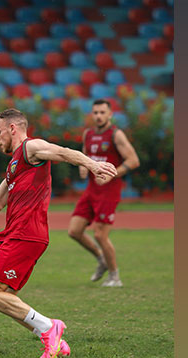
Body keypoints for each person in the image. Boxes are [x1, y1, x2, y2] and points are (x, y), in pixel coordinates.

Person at [0, 108, 117, 358]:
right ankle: (58, 343)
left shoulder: (30, 148)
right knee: (4, 296)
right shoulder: (14, 165)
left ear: (13, 128)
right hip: (20, 235)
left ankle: (49, 328)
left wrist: (92, 165)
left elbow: (63, 152)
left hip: (25, 235)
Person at [67, 99, 140, 287]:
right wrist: (83, 167)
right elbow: (85, 155)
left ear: (110, 114)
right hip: (91, 189)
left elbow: (133, 160)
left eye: (102, 112)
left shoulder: (116, 135)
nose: (98, 116)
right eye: (95, 113)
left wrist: (112, 173)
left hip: (109, 191)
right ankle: (102, 259)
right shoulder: (88, 134)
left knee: (100, 234)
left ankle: (115, 276)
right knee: (74, 231)